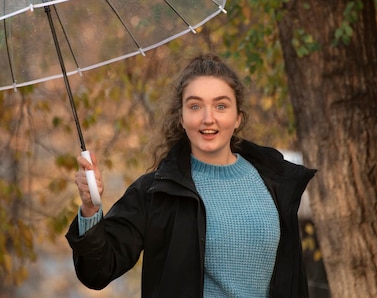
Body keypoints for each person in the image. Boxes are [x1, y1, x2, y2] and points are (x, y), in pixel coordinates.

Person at [66, 53, 316, 298]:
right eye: (195, 106)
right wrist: (90, 207)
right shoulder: (155, 193)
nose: (208, 118)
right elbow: (97, 271)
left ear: (238, 117)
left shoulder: (275, 181)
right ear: (182, 118)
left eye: (221, 106)